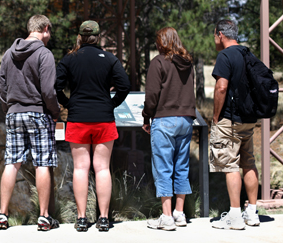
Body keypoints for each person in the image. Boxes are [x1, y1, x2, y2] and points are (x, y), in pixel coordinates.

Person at [55, 20, 130, 232]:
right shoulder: (109, 58)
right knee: (102, 168)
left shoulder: (70, 58)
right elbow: (124, 85)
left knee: (80, 168)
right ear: (98, 37)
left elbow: (56, 86)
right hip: (103, 118)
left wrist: (68, 103)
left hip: (78, 118)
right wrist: (111, 103)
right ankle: (104, 218)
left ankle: (81, 218)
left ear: (80, 36)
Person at [0, 15, 61, 232]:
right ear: (45, 28)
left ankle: (2, 214)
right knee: (42, 163)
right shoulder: (44, 54)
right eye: (49, 32)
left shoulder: (8, 54)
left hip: (14, 114)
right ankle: (43, 217)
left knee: (11, 163)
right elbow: (48, 91)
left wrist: (9, 109)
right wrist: (55, 113)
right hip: (38, 113)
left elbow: (1, 88)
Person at [141, 27, 196, 231]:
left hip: (164, 119)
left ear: (161, 42)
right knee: (181, 167)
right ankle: (179, 213)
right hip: (186, 120)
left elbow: (152, 95)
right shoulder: (188, 62)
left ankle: (166, 217)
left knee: (163, 168)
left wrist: (147, 116)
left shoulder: (158, 62)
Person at [210, 19, 260, 230]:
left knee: (230, 165)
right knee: (248, 163)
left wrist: (215, 117)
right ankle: (252, 212)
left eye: (214, 36)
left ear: (220, 34)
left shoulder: (225, 55)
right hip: (248, 119)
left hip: (229, 120)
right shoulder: (248, 54)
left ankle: (234, 215)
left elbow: (221, 88)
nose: (214, 40)